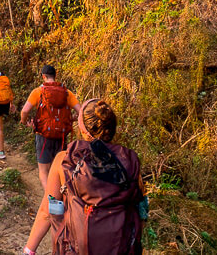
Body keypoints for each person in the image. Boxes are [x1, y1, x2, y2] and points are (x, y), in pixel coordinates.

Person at [24, 99, 147, 255]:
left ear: (82, 128)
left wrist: (28, 250)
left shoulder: (65, 159)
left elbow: (46, 212)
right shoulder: (129, 161)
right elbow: (141, 211)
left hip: (76, 249)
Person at [19, 64, 83, 189]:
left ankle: (49, 200)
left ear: (43, 76)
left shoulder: (38, 92)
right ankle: (61, 199)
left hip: (43, 135)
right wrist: (73, 118)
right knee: (59, 169)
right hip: (62, 135)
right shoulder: (67, 93)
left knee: (44, 171)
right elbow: (80, 111)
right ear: (55, 76)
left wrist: (24, 121)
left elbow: (24, 111)